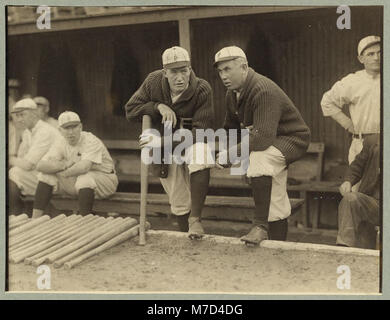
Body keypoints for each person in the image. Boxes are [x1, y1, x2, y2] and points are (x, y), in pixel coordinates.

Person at [214, 46, 311, 244]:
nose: (223, 75)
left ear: (244, 67)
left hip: (292, 139)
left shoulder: (263, 89)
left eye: (228, 69)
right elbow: (231, 128)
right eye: (220, 71)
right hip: (271, 140)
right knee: (274, 196)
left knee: (259, 158)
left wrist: (232, 155)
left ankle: (260, 227)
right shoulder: (232, 93)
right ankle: (277, 247)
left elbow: (262, 138)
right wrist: (234, 156)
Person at [125, 46, 214, 237]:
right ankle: (187, 236)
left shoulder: (202, 88)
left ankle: (195, 221)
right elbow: (131, 110)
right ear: (165, 72)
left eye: (184, 70)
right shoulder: (153, 81)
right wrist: (158, 106)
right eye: (174, 72)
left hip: (188, 143)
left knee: (201, 153)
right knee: (178, 198)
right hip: (164, 151)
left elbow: (201, 133)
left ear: (190, 69)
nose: (180, 77)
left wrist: (161, 143)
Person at [32, 111, 118, 218]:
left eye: (74, 127)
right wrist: (63, 165)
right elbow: (40, 166)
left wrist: (62, 172)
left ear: (81, 127)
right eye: (66, 128)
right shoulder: (60, 142)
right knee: (45, 176)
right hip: (76, 181)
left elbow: (84, 167)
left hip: (105, 180)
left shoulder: (90, 140)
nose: (70, 132)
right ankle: (35, 219)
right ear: (60, 130)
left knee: (84, 178)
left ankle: (84, 222)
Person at [321, 35, 380, 164]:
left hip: (386, 144)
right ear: (361, 59)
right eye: (370, 54)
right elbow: (327, 102)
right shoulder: (353, 81)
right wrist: (348, 124)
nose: (376, 57)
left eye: (380, 52)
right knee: (356, 183)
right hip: (362, 143)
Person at [8, 98, 61, 215]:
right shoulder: (28, 132)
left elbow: (27, 165)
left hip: (58, 178)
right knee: (13, 172)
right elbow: (22, 160)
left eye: (23, 115)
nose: (19, 119)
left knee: (13, 173)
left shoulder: (45, 131)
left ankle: (15, 214)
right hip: (40, 175)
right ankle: (16, 214)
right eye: (17, 115)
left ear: (34, 114)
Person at [337, 134, 380, 248]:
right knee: (350, 199)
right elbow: (357, 166)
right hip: (374, 203)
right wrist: (348, 181)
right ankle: (344, 249)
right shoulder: (373, 141)